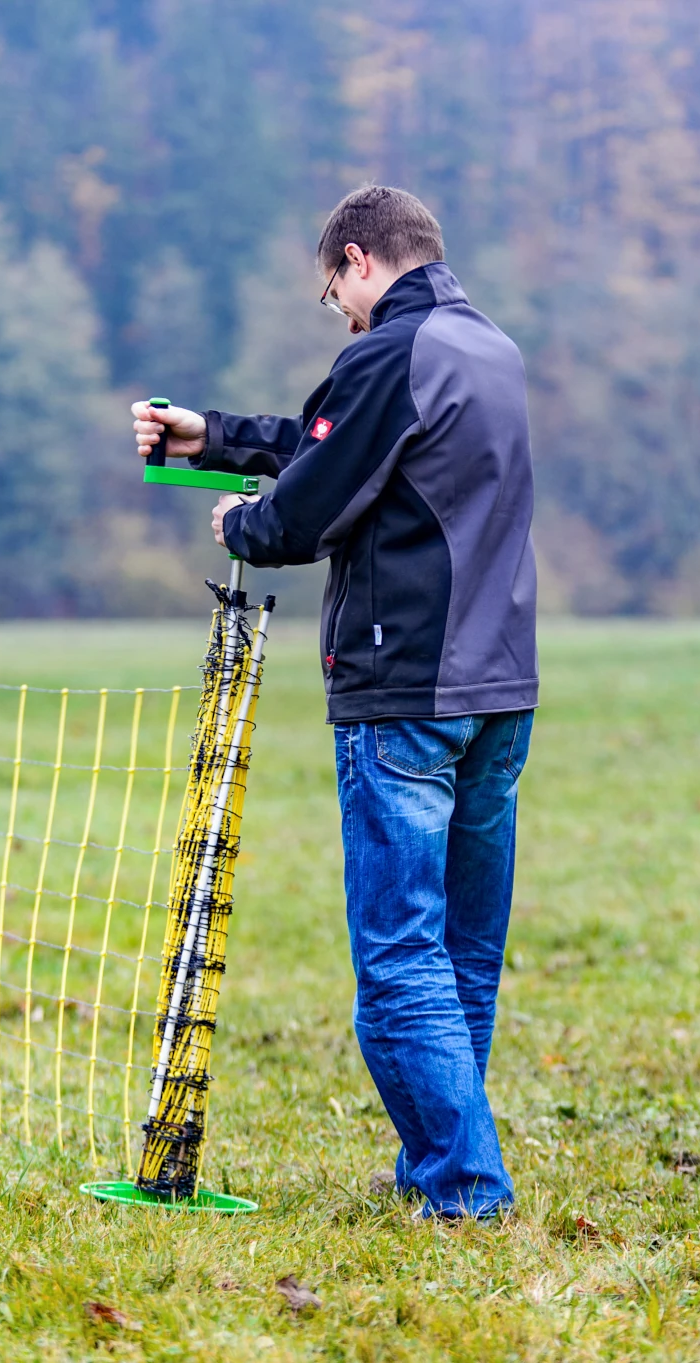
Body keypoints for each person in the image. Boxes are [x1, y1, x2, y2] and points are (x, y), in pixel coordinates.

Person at [131, 185, 537, 1218]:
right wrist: (208, 435)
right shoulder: (489, 349)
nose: (339, 314)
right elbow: (341, 444)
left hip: (402, 687)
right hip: (497, 692)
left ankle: (464, 1191)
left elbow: (307, 506)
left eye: (332, 294)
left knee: (399, 965)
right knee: (459, 954)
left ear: (358, 261)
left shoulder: (386, 354)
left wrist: (238, 522)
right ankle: (433, 1172)